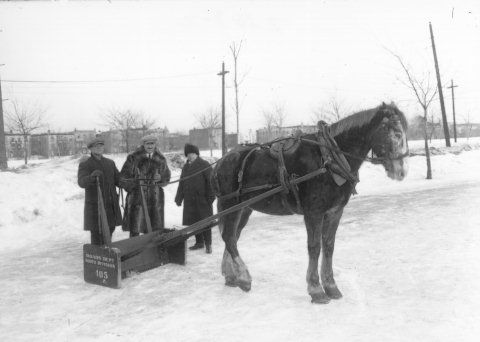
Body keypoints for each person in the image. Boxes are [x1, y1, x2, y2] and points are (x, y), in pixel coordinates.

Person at [120, 134, 171, 237]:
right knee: (135, 228)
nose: (150, 146)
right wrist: (134, 184)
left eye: (152, 144)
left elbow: (166, 177)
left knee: (153, 229)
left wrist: (160, 178)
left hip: (154, 199)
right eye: (147, 144)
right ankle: (134, 251)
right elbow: (123, 177)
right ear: (143, 145)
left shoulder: (161, 159)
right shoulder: (133, 158)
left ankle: (150, 251)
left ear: (155, 144)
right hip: (137, 198)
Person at [77, 136, 123, 245]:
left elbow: (118, 180)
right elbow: (81, 182)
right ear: (91, 149)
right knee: (97, 232)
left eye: (101, 146)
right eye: (96, 146)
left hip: (110, 203)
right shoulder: (86, 163)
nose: (99, 148)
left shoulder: (110, 163)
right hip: (95, 205)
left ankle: (107, 254)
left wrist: (130, 181)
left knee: (110, 228)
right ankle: (97, 257)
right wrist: (91, 177)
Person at [175, 143, 215, 253]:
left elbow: (211, 182)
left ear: (196, 153)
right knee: (195, 223)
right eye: (188, 154)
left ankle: (208, 244)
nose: (190, 156)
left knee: (205, 223)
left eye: (192, 153)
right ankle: (199, 242)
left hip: (202, 200)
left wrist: (210, 198)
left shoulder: (204, 164)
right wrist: (179, 197)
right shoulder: (186, 167)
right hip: (189, 200)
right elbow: (181, 183)